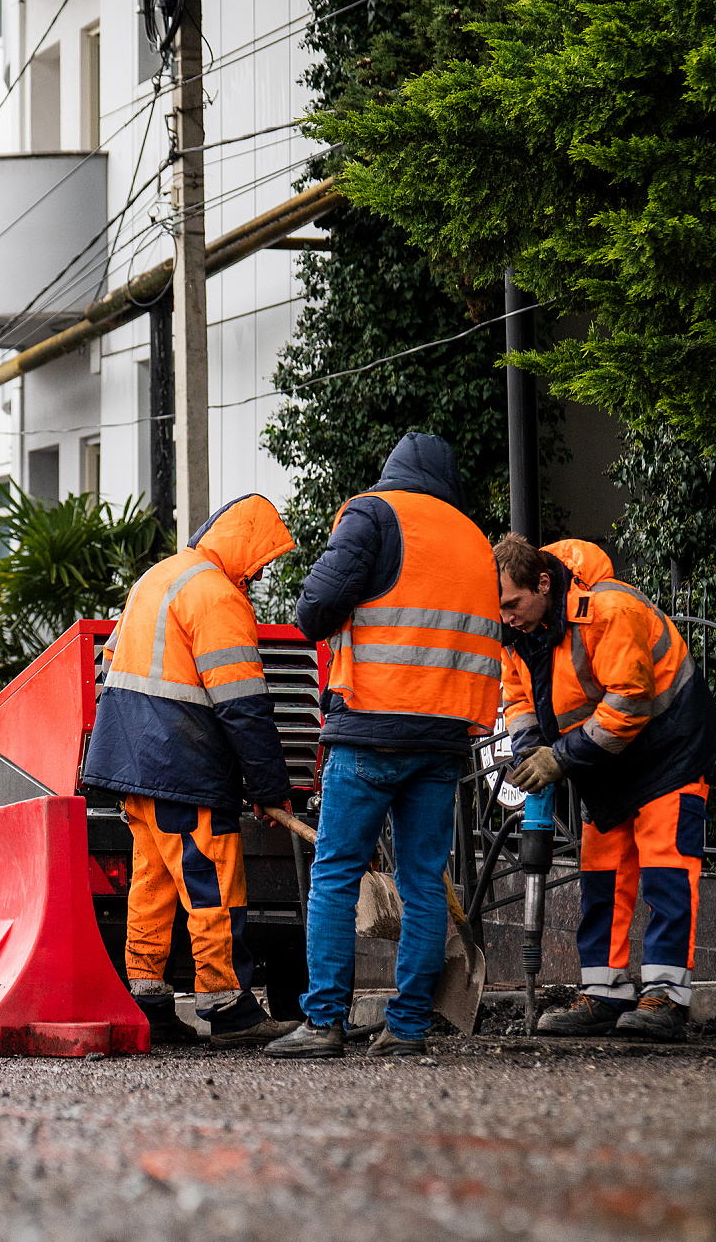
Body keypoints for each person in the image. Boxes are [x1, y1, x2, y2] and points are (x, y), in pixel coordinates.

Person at [268, 433, 503, 1060]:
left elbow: (313, 610)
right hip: (445, 736)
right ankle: (409, 1025)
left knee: (337, 873)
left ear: (393, 470)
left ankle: (324, 1021)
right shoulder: (476, 541)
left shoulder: (375, 513)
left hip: (373, 724)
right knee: (425, 881)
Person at [80, 493, 301, 1049]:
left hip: (133, 765)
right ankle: (229, 1009)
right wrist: (271, 785)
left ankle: (149, 1004)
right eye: (261, 560)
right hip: (183, 768)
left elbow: (109, 665)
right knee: (212, 887)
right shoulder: (217, 596)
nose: (260, 572)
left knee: (151, 888)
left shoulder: (158, 577)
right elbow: (244, 704)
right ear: (245, 546)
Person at [494, 534, 716, 1041]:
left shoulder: (608, 609)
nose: (507, 616)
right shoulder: (519, 636)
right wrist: (532, 748)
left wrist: (560, 757)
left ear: (543, 584)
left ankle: (665, 997)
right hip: (607, 763)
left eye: (513, 603)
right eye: (500, 607)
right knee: (603, 878)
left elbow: (630, 701)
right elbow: (518, 699)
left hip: (669, 751)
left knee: (666, 872)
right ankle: (604, 994)